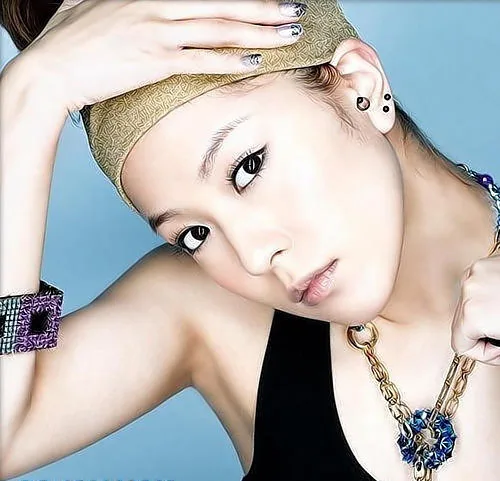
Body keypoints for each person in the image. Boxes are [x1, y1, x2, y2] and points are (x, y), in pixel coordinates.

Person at [1, 1, 499, 480]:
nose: (255, 256)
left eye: (248, 167)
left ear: (357, 85)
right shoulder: (204, 308)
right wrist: (28, 93)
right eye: (194, 234)